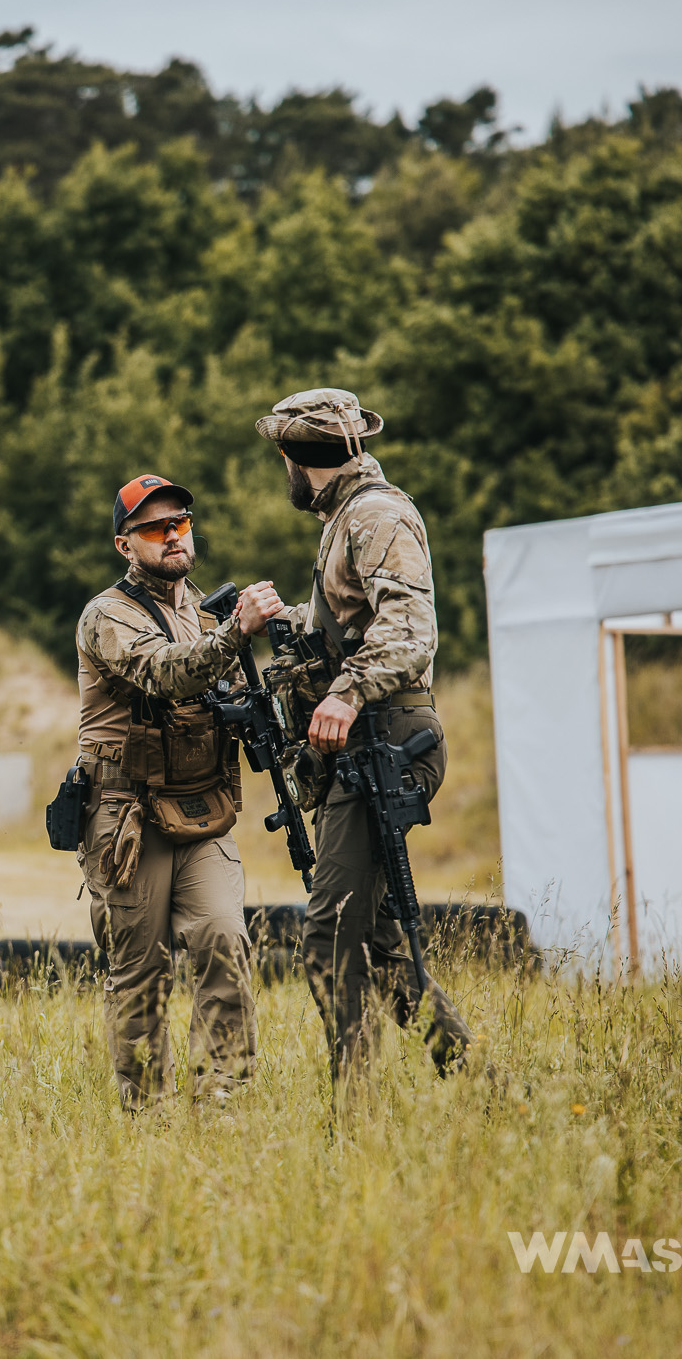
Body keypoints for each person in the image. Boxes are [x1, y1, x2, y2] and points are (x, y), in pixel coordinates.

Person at [253, 388, 474, 1089]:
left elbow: (410, 630)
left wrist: (346, 693)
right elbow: (347, 622)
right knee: (378, 939)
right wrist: (276, 618)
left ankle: (357, 1106)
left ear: (295, 457)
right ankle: (473, 1077)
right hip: (372, 736)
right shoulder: (351, 515)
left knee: (330, 933)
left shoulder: (375, 514)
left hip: (388, 736)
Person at [72, 473, 285, 1108]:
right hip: (126, 817)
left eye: (181, 523)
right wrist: (236, 634)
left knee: (224, 938)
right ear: (124, 545)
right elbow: (164, 674)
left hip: (200, 807)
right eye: (154, 527)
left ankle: (223, 1101)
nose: (172, 535)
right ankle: (149, 1115)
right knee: (140, 975)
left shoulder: (205, 609)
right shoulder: (108, 614)